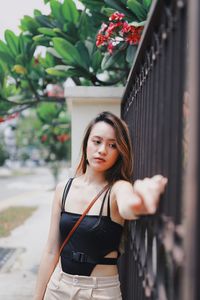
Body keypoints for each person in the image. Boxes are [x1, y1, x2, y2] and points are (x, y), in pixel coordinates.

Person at [34, 111, 167, 300]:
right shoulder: (63, 189)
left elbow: (129, 206)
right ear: (86, 143)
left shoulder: (118, 188)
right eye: (97, 141)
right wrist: (37, 297)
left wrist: (144, 197)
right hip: (58, 288)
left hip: (99, 292)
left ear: (120, 152)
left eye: (112, 145)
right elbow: (51, 250)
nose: (102, 150)